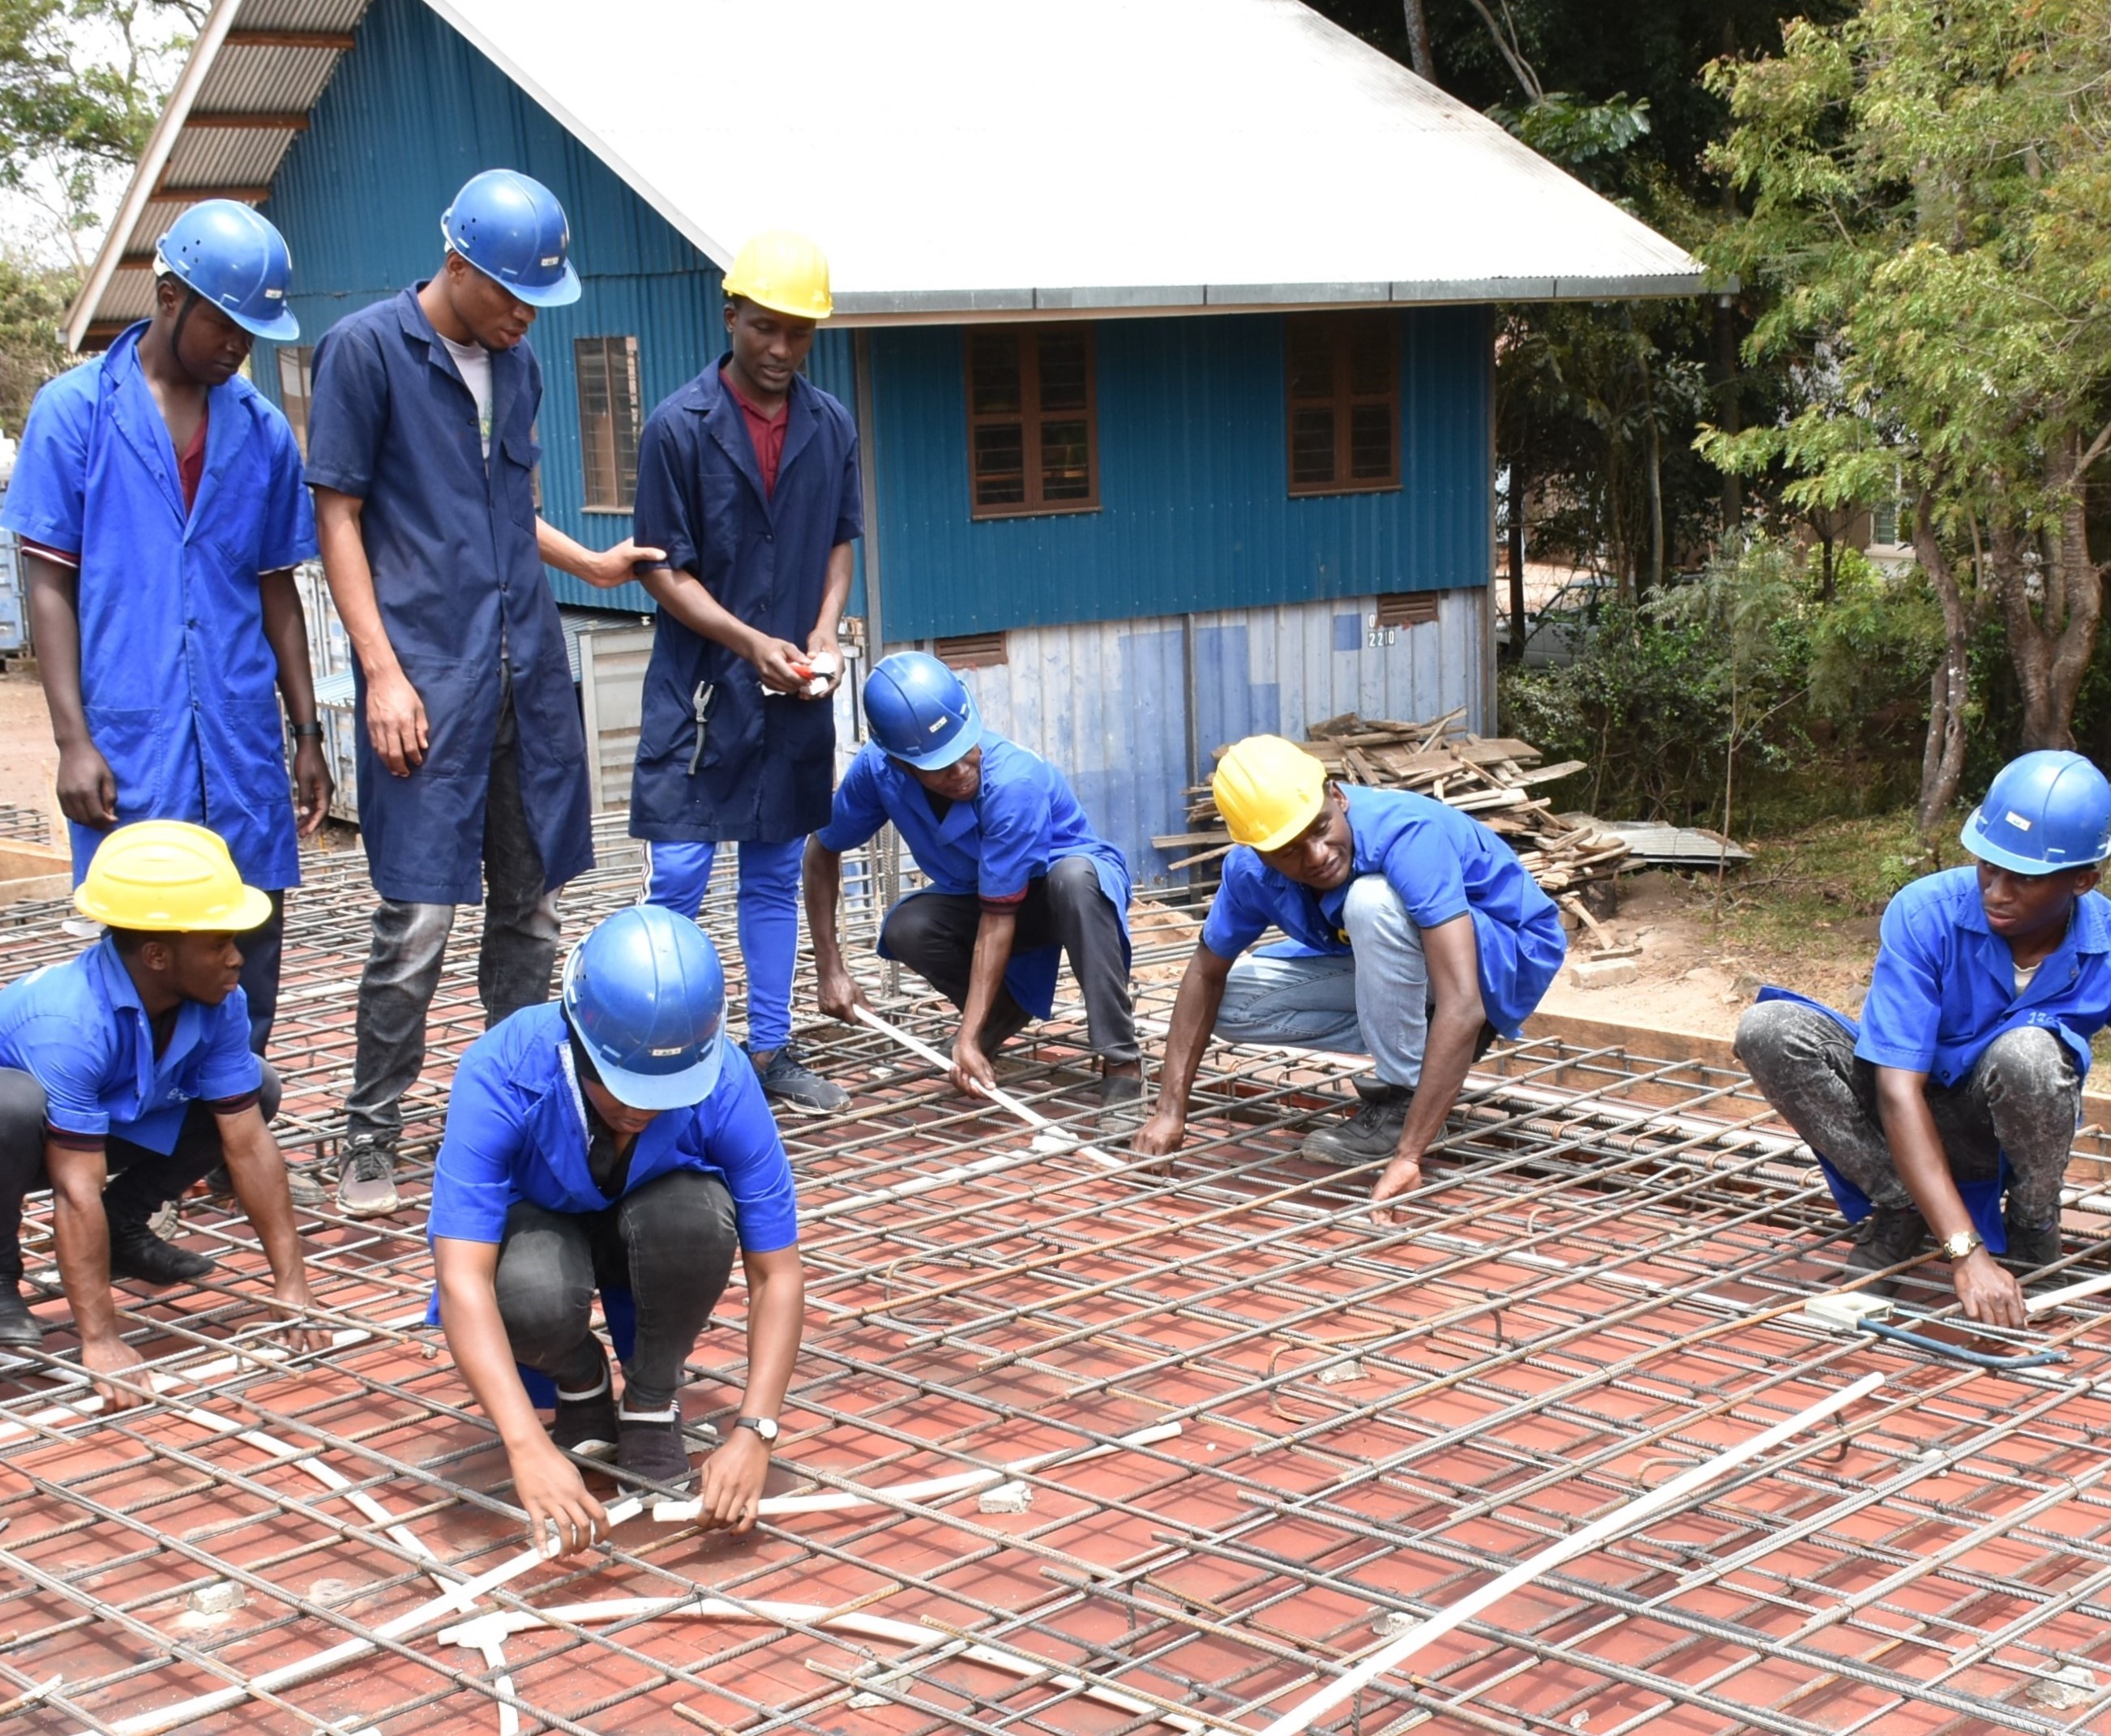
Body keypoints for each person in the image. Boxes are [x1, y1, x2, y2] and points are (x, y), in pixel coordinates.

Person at [306, 169, 659, 1219]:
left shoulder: (519, 365)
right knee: (416, 919)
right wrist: (379, 671)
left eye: (535, 305)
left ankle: (519, 1107)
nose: (522, 318)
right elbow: (338, 522)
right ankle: (369, 1131)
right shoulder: (365, 353)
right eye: (512, 297)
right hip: (426, 675)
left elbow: (513, 508)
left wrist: (586, 566)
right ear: (457, 264)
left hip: (525, 670)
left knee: (533, 912)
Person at [4, 200, 330, 1068]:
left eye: (254, 332)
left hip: (237, 737)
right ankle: (139, 1145)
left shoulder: (260, 432)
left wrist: (305, 733)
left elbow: (278, 593)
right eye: (226, 322)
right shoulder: (74, 416)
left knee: (245, 944)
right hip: (132, 737)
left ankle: (228, 1138)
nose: (237, 347)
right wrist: (74, 741)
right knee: (144, 951)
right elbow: (49, 586)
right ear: (171, 294)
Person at [430, 905, 803, 1557]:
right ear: (577, 1036)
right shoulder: (503, 1072)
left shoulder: (725, 1080)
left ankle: (653, 1397)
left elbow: (777, 1272)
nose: (640, 1108)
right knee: (525, 1289)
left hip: (653, 1230)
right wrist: (525, 1443)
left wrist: (755, 1431)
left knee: (699, 1217)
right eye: (621, 1086)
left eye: (664, 1091)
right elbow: (461, 1277)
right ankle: (580, 1380)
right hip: (538, 1238)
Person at [1737, 750, 2111, 1329]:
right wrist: (1965, 1254)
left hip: (2001, 1132)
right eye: (1989, 866)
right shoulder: (1926, 913)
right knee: (1771, 1029)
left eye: (2025, 879)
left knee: (2031, 1054)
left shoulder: (2104, 946)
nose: (1997, 891)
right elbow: (1896, 1088)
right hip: (1905, 1113)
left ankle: (2033, 1226)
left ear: (2083, 880)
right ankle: (1902, 1205)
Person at [1134, 735, 1567, 1210]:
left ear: (1337, 796)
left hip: (1498, 956)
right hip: (1401, 962)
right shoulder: (1249, 872)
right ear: (1258, 853)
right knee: (1233, 1001)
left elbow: (1463, 1002)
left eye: (1321, 828)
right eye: (1289, 850)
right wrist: (1169, 1109)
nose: (1317, 855)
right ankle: (1424, 1046)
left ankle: (1405, 1098)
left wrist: (1409, 1156)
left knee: (1371, 903)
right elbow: (1203, 975)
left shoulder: (1406, 833)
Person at [629, 230, 860, 1114]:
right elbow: (661, 569)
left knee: (771, 873)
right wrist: (747, 643)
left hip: (793, 684)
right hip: (701, 691)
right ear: (730, 316)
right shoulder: (676, 430)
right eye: (765, 328)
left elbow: (841, 542)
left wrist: (822, 634)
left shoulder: (829, 425)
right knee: (681, 874)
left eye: (798, 334)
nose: (780, 350)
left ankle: (769, 1052)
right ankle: (664, 1050)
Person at [0, 823, 324, 1379]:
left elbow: (246, 1141)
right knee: (14, 1106)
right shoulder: (68, 1023)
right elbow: (76, 1189)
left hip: (96, 1124)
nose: (236, 958)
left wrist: (293, 1287)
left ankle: (123, 1227)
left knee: (257, 1087)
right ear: (155, 954)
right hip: (19, 1142)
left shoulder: (219, 1001)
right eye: (217, 943)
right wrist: (100, 1340)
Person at [805, 652, 1142, 1123]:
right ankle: (1001, 1014)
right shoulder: (877, 772)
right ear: (900, 763)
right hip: (986, 898)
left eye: (966, 749)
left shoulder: (1012, 783)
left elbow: (1000, 918)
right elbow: (821, 850)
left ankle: (1122, 1064)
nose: (964, 770)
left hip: (1061, 894)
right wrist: (830, 966)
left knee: (1076, 882)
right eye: (942, 767)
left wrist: (963, 1036)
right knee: (908, 926)